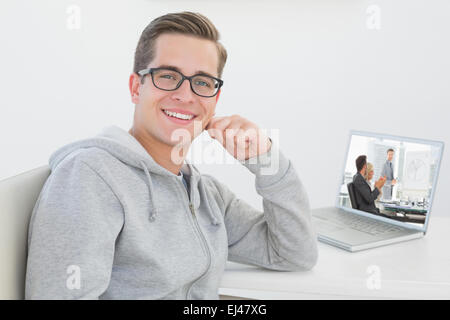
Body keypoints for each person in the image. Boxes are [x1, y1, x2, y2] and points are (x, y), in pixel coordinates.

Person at [25, 12, 318, 299]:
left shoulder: (207, 196)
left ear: (214, 101)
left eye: (202, 82)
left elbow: (294, 253)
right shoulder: (90, 176)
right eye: (168, 76)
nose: (185, 95)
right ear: (136, 87)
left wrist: (265, 156)